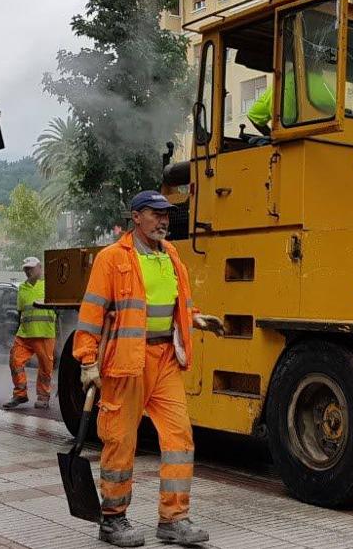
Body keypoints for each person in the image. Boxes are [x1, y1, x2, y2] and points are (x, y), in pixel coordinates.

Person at [75, 190, 223, 548]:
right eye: (156, 214)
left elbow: (178, 303)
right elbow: (92, 311)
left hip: (165, 361)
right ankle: (112, 519)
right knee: (121, 441)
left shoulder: (172, 257)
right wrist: (87, 360)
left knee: (179, 439)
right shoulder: (113, 259)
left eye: (166, 214)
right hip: (127, 363)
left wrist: (197, 319)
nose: (163, 221)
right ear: (136, 217)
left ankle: (173, 519)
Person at [3, 257, 56, 410]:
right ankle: (20, 394)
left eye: (31, 268)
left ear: (40, 268)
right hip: (25, 334)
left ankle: (43, 397)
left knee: (45, 367)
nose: (28, 271)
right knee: (15, 361)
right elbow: (21, 312)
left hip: (45, 334)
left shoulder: (48, 286)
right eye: (26, 269)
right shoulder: (22, 288)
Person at [246, 66, 336, 136]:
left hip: (283, 141)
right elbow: (338, 111)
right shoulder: (317, 82)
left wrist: (270, 136)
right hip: (310, 140)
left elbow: (253, 116)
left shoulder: (277, 86)